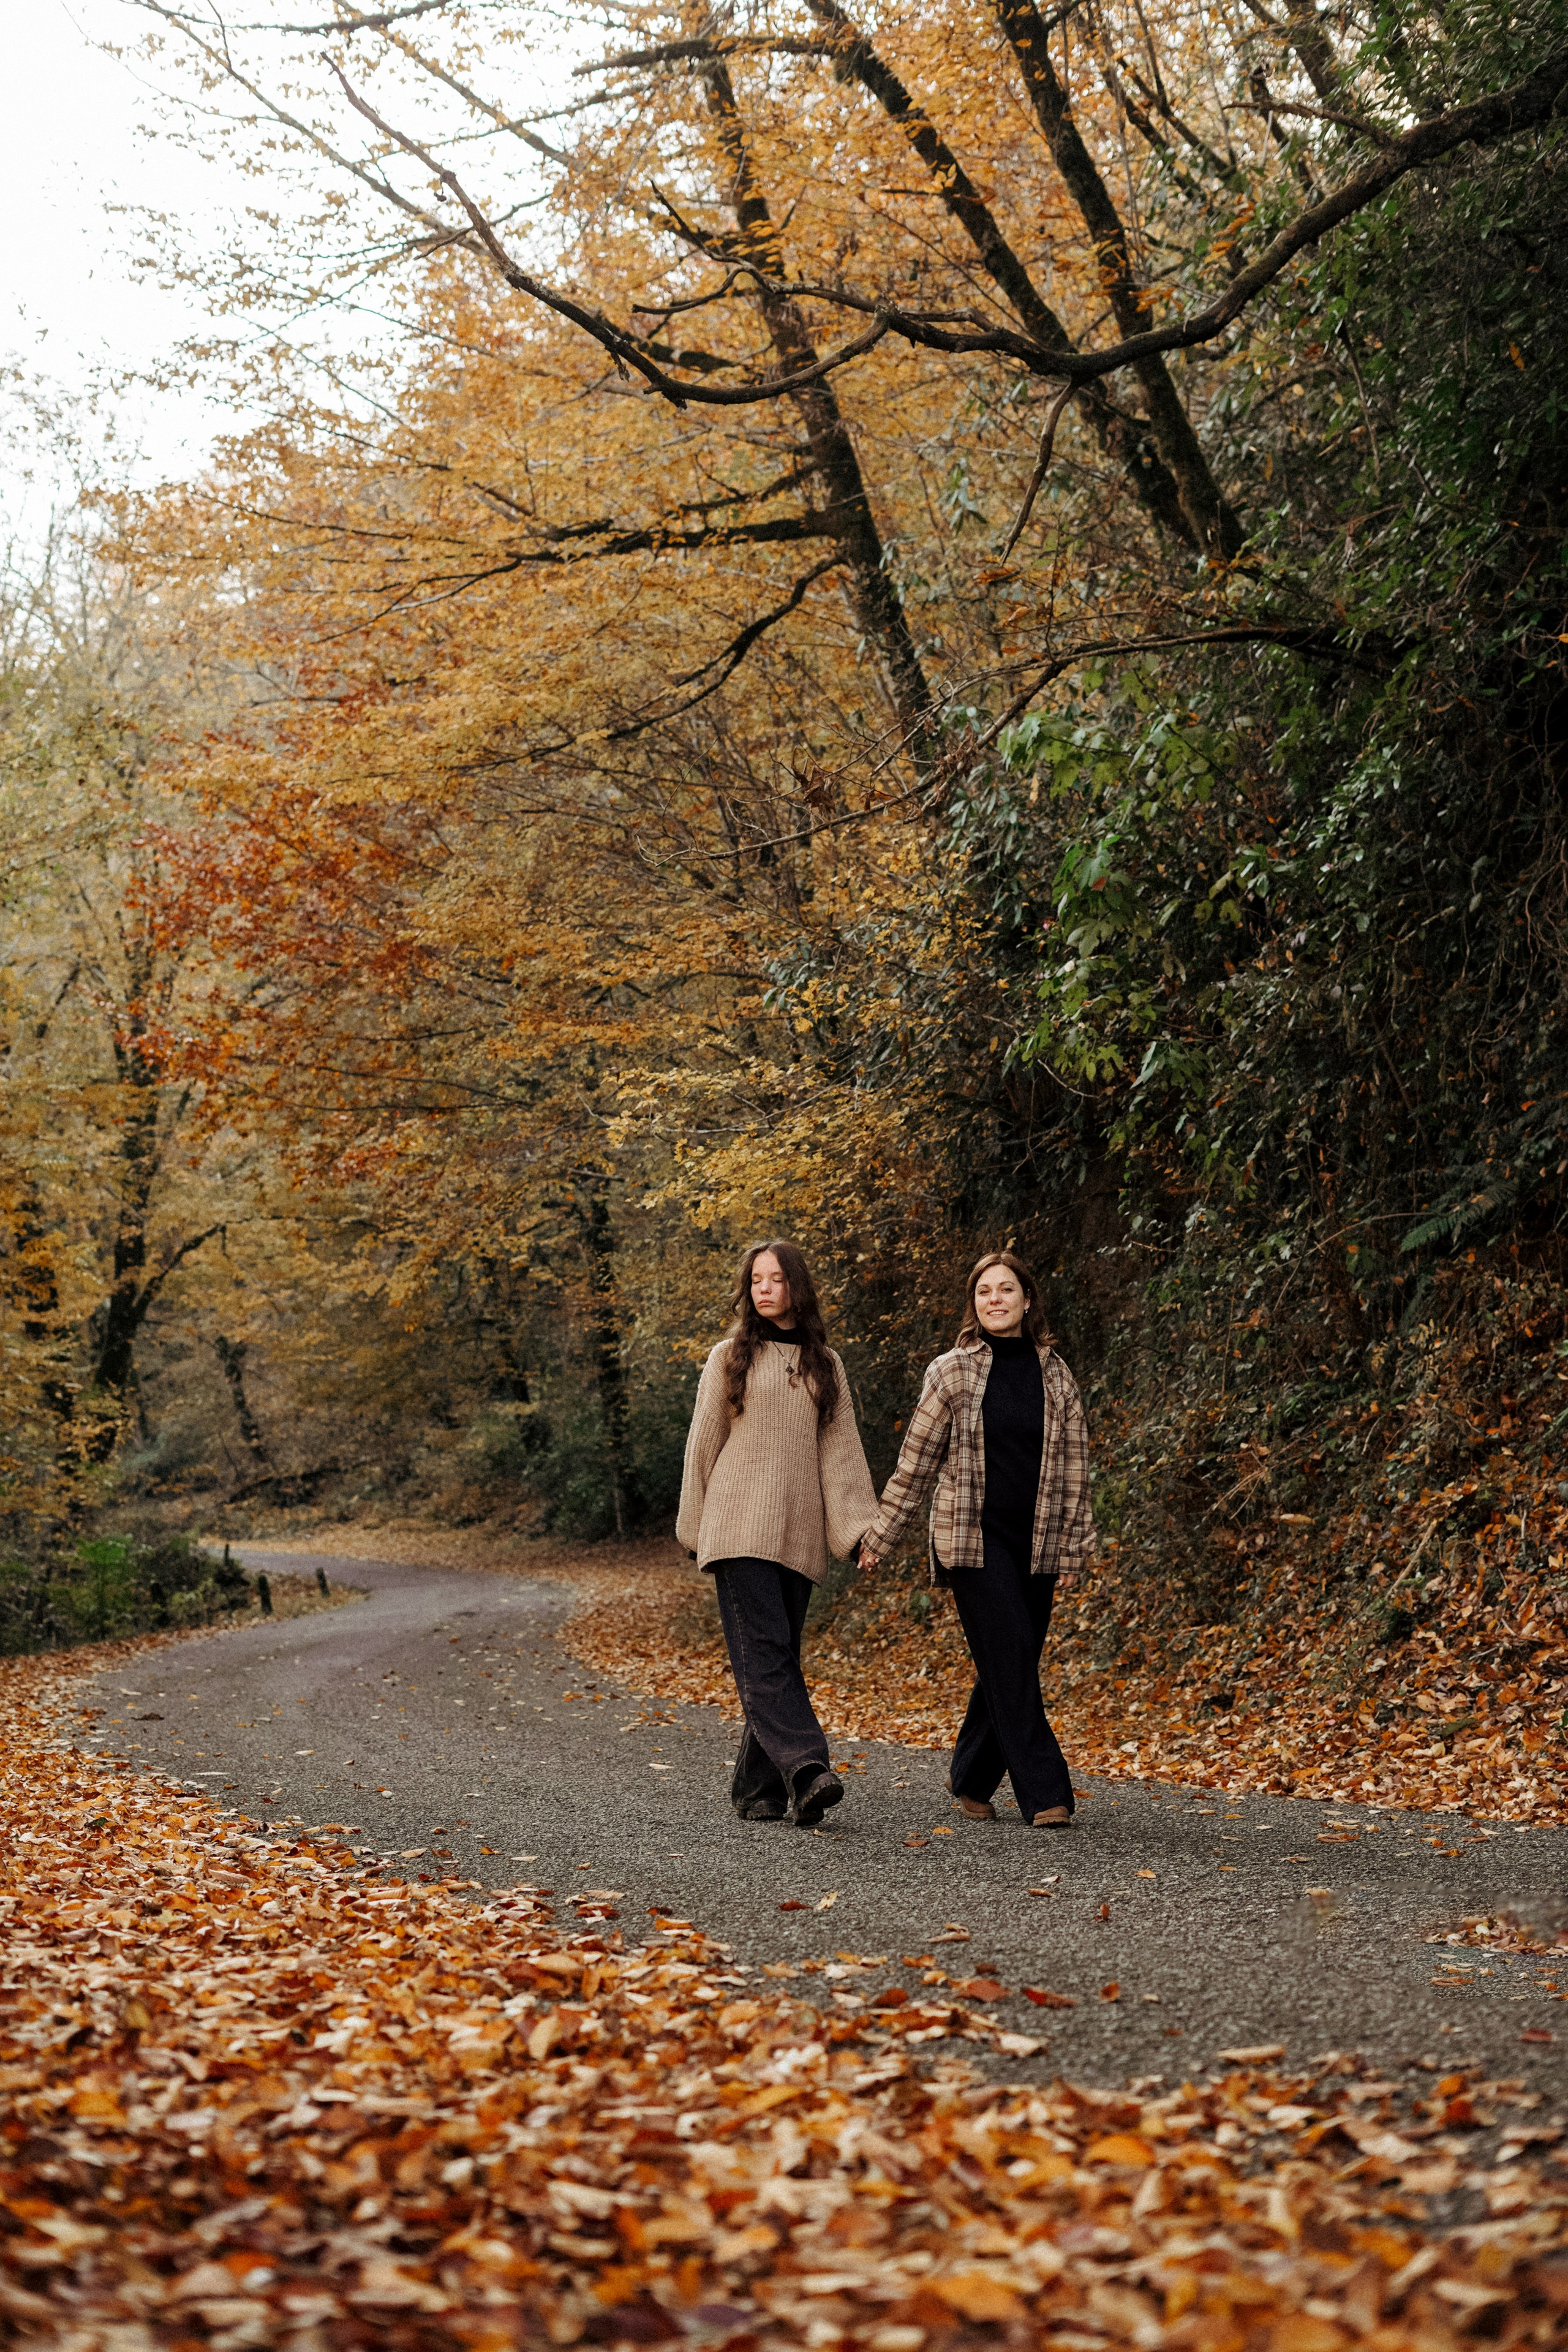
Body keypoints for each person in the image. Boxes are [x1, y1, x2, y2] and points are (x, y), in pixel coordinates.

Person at [859, 1250, 1093, 1828]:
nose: (995, 1299)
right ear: (974, 1303)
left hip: (1035, 1543)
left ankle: (971, 1778)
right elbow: (914, 1465)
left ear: (1027, 1299)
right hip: (971, 1542)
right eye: (984, 1291)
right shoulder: (952, 1372)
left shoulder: (1057, 1375)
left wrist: (1076, 1548)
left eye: (1006, 1289)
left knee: (1010, 1660)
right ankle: (1047, 1792)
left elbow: (1075, 1470)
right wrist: (882, 1536)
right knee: (1011, 1655)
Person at [676, 1240, 878, 1827]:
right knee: (766, 1655)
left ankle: (754, 1788)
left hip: (799, 1531)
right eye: (756, 1280)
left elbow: (841, 1456)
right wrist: (693, 1525)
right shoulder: (728, 1357)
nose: (764, 1289)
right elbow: (702, 1443)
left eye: (776, 1279)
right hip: (736, 1526)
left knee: (776, 1657)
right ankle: (810, 1769)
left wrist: (860, 1531)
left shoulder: (826, 1364)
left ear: (797, 1287)